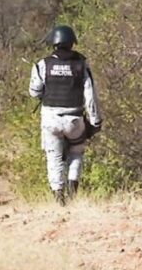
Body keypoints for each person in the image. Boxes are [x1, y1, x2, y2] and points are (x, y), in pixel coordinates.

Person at [29, 25, 102, 205]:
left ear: (53, 43)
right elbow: (90, 95)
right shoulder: (81, 64)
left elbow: (33, 91)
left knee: (53, 158)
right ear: (72, 42)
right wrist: (95, 121)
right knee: (76, 154)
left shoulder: (42, 64)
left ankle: (59, 197)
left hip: (50, 119)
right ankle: (72, 190)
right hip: (75, 119)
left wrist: (45, 93)